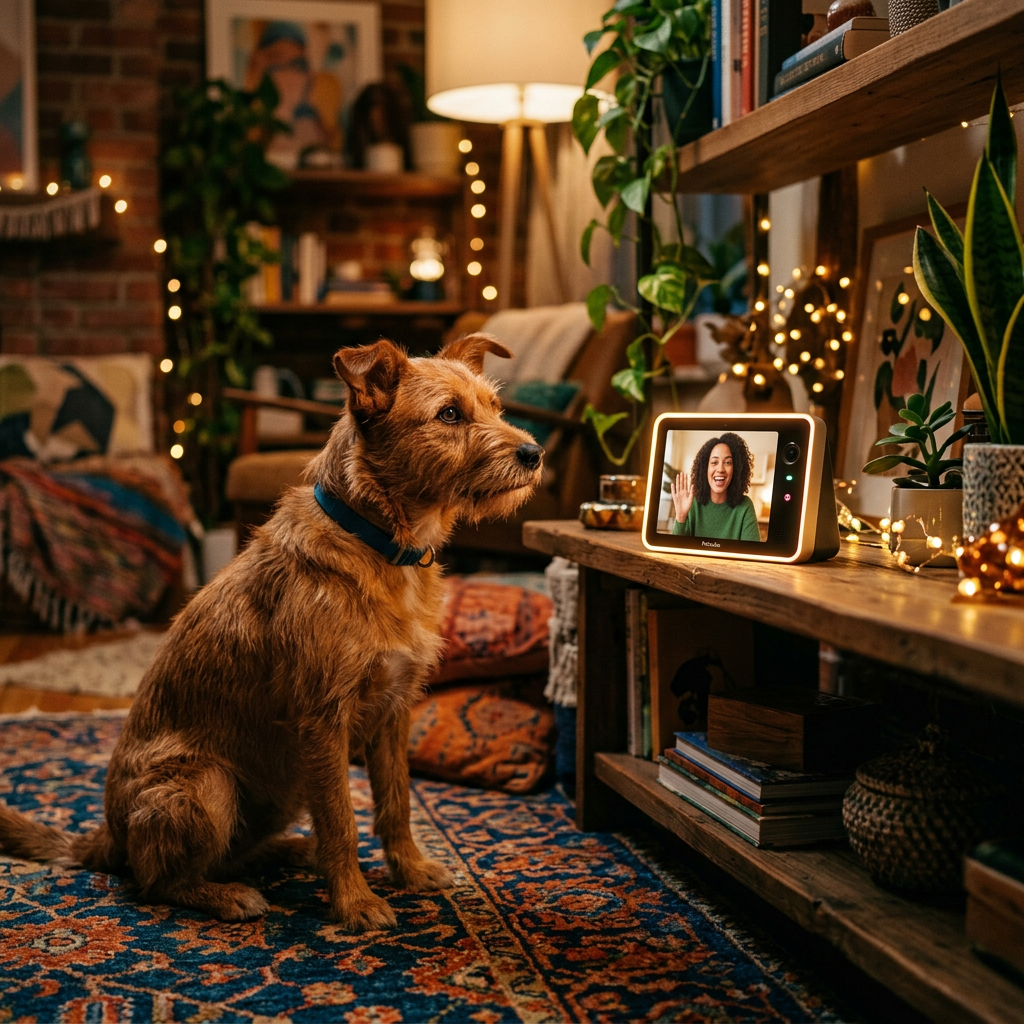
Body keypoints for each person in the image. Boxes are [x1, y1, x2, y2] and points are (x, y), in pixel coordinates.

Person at [671, 432, 762, 542]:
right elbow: (677, 552)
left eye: (728, 462)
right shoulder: (692, 503)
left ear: (736, 469)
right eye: (714, 462)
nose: (720, 469)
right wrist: (680, 517)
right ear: (705, 468)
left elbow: (751, 554)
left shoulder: (744, 506)